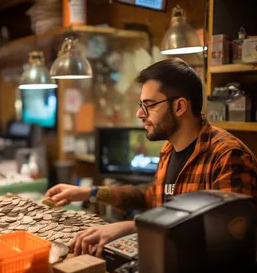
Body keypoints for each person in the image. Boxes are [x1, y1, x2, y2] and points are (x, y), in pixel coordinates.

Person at [45, 58, 257, 257]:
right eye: (141, 105)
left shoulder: (228, 156)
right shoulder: (169, 149)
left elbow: (229, 238)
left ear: (180, 106)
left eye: (149, 104)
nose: (140, 114)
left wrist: (131, 226)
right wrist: (88, 192)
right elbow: (151, 196)